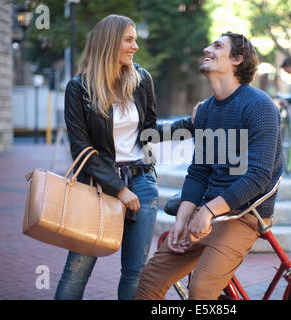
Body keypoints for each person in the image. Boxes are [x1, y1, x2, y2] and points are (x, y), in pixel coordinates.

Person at [55, 14, 197, 300]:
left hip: (142, 183)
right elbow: (81, 149)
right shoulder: (79, 89)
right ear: (109, 44)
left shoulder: (141, 79)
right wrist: (118, 189)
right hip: (97, 187)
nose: (135, 46)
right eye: (129, 40)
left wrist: (191, 123)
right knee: (77, 268)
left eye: (135, 40)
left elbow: (148, 132)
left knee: (135, 271)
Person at [135, 32, 282, 300]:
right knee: (148, 282)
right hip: (209, 211)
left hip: (245, 215)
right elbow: (199, 171)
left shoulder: (260, 106)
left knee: (201, 290)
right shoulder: (205, 111)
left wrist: (208, 212)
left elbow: (258, 176)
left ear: (236, 59)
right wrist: (182, 218)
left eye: (217, 46)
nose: (207, 49)